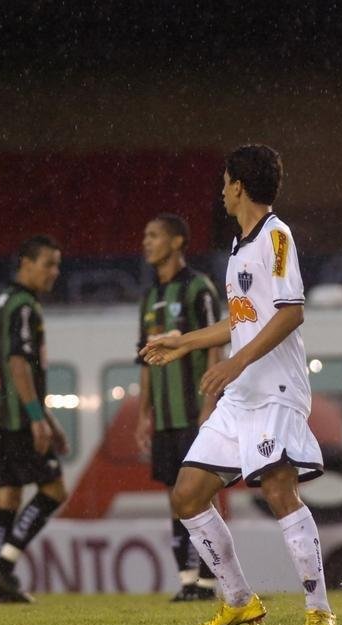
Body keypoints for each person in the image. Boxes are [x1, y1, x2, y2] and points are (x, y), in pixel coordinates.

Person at [140, 144, 335, 625]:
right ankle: (240, 601)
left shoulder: (276, 236)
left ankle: (319, 610)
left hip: (275, 390)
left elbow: (292, 312)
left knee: (278, 489)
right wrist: (182, 342)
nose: (221, 191)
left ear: (239, 187)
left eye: (225, 181)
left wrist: (235, 363)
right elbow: (240, 320)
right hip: (241, 394)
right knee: (186, 495)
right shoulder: (239, 246)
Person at [135, 213, 223, 602]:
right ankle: (188, 580)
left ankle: (208, 580)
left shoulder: (197, 289)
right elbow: (145, 359)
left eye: (154, 235)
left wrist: (210, 404)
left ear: (176, 242)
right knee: (174, 496)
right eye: (145, 235)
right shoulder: (151, 297)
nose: (146, 241)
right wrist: (143, 414)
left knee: (199, 494)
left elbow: (215, 344)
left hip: (192, 412)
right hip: (166, 419)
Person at [0, 235, 69, 604]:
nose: (54, 272)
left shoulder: (2, 302)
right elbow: (18, 364)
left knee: (7, 497)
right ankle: (2, 567)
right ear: (25, 263)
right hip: (16, 420)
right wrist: (36, 419)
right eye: (48, 263)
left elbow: (11, 367)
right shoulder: (25, 306)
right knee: (53, 491)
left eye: (57, 264)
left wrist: (50, 419)